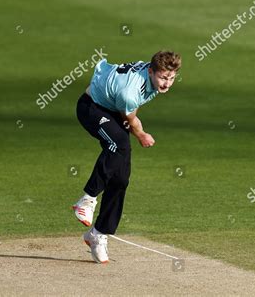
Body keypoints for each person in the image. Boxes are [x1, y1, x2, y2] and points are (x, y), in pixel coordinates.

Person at [72, 51, 182, 263]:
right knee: (119, 145)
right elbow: (130, 116)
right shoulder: (130, 91)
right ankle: (86, 200)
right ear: (151, 71)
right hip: (91, 107)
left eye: (171, 78)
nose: (167, 83)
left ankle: (98, 234)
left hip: (112, 108)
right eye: (162, 77)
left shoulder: (151, 80)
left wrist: (133, 124)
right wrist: (141, 135)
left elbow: (132, 108)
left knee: (121, 177)